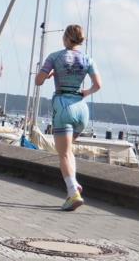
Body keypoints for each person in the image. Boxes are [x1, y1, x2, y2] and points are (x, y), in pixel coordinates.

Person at [34, 24, 102, 211]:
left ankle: (73, 192)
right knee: (69, 150)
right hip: (81, 109)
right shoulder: (88, 59)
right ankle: (74, 186)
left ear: (65, 38)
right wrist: (85, 93)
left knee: (63, 153)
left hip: (63, 106)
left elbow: (38, 81)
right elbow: (98, 85)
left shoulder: (55, 57)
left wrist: (48, 75)